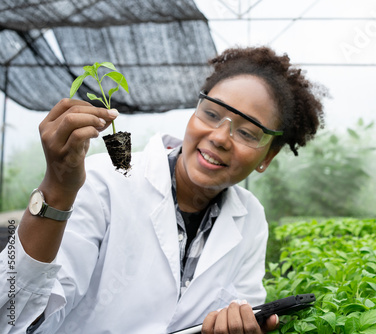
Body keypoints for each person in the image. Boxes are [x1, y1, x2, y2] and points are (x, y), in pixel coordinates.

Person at [0, 46, 324, 333]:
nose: (221, 138)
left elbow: (244, 306)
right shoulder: (100, 182)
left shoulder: (250, 217)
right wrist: (57, 189)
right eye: (211, 114)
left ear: (268, 156)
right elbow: (12, 316)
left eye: (249, 133)